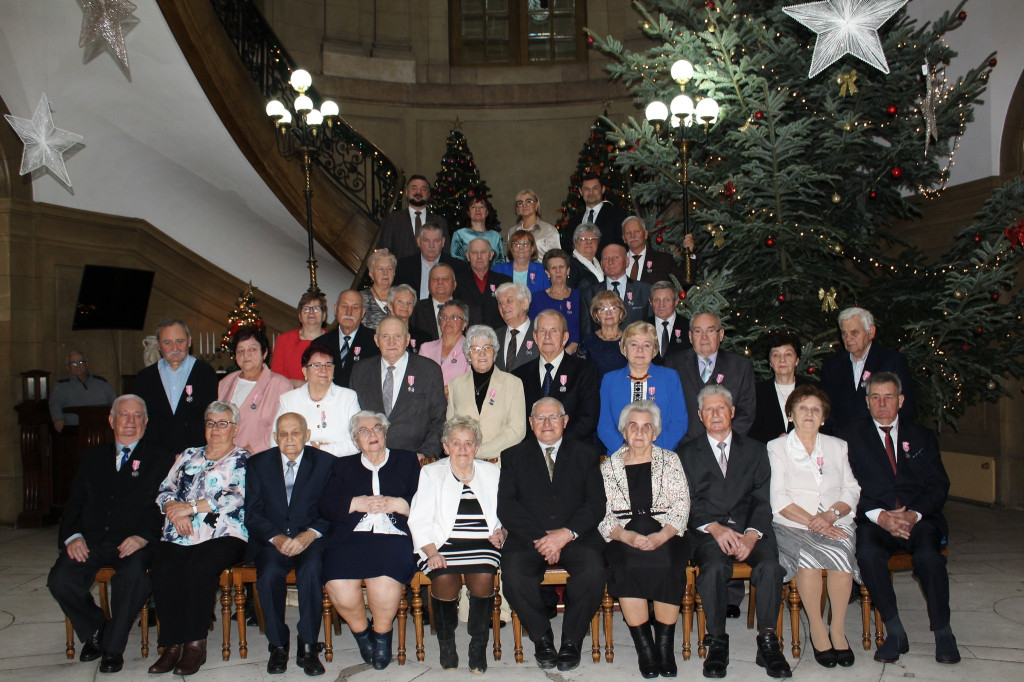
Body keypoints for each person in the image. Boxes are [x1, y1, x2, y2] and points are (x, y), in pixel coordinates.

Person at [840, 372, 958, 664]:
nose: (882, 403)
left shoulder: (922, 437)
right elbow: (845, 486)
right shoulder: (848, 439)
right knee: (867, 554)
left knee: (930, 558)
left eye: (888, 396)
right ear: (867, 402)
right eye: (875, 397)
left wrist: (914, 514)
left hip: (918, 520)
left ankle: (944, 632)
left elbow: (939, 485)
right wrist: (880, 516)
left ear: (901, 400)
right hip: (874, 520)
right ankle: (895, 631)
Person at [47, 395, 170, 674]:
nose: (130, 421)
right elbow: (73, 505)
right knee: (60, 579)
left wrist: (143, 536)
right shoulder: (92, 457)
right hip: (92, 539)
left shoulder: (160, 458)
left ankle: (112, 649)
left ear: (146, 422)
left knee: (134, 578)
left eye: (137, 416)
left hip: (136, 542)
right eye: (124, 415)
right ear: (111, 421)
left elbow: (165, 506)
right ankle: (96, 628)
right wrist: (72, 537)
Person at [676, 385, 791, 680]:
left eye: (721, 408)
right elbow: (684, 501)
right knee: (714, 568)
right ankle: (717, 642)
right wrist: (713, 528)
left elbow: (764, 498)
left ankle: (768, 642)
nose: (716, 415)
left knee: (770, 567)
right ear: (701, 416)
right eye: (709, 410)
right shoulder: (686, 453)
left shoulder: (755, 450)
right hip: (707, 531)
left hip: (751, 529)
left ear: (732, 412)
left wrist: (752, 534)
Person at [498, 397, 606, 672]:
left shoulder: (586, 454)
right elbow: (507, 507)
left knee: (594, 571)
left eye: (553, 417)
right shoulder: (513, 456)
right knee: (513, 575)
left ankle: (571, 639)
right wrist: (542, 539)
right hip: (528, 538)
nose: (547, 424)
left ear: (565, 422)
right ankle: (542, 638)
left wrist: (565, 535)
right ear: (531, 423)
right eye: (540, 418)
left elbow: (595, 504)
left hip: (575, 537)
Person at [149, 401, 250, 675]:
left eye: (222, 424)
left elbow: (236, 496)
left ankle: (194, 645)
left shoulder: (242, 458)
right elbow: (165, 488)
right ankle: (171, 645)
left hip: (223, 533)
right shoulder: (188, 454)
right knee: (163, 567)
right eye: (210, 423)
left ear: (235, 429)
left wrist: (191, 508)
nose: (215, 429)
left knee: (199, 567)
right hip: (180, 531)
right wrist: (173, 510)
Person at [767, 385, 860, 668]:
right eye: (802, 408)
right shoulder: (777, 447)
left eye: (815, 409)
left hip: (834, 520)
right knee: (809, 559)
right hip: (793, 524)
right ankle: (819, 629)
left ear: (823, 418)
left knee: (841, 554)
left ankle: (838, 630)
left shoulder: (837, 446)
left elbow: (852, 489)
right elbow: (779, 498)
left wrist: (830, 515)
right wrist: (813, 522)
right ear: (791, 415)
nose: (809, 413)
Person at [319, 411, 421, 670]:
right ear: (355, 440)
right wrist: (355, 503)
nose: (372, 434)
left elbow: (427, 501)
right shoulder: (342, 466)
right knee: (338, 583)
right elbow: (325, 505)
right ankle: (363, 635)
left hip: (393, 535)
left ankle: (383, 637)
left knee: (384, 579)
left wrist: (400, 504)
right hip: (350, 536)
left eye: (377, 428)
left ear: (385, 433)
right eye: (364, 431)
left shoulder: (407, 461)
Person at [599, 401, 690, 678]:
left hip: (665, 532)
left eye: (646, 427)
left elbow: (682, 504)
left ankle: (664, 648)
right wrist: (625, 536)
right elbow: (601, 514)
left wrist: (662, 536)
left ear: (655, 432)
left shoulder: (670, 460)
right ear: (624, 432)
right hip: (624, 534)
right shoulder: (610, 466)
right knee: (626, 565)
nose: (639, 432)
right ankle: (645, 650)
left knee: (667, 563)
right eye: (633, 426)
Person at [408, 416, 504, 673]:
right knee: (443, 578)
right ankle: (446, 643)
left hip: (482, 542)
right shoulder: (431, 473)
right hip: (441, 542)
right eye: (456, 443)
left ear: (477, 447)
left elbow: (506, 513)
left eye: (469, 443)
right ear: (446, 446)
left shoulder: (492, 472)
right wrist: (431, 552)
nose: (463, 449)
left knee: (485, 574)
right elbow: (418, 518)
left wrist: (501, 532)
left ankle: (478, 644)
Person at [245, 413, 334, 675]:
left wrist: (310, 534)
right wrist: (276, 537)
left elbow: (332, 510)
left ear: (307, 435)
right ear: (275, 438)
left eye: (296, 432)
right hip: (271, 540)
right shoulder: (258, 464)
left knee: (311, 570)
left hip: (310, 539)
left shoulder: (326, 463)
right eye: (283, 434)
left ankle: (308, 645)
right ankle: (278, 644)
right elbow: (252, 513)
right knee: (269, 573)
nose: (290, 439)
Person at [350, 317, 447, 460]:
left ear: (407, 339)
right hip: (369, 460)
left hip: (414, 460)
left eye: (397, 336)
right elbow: (353, 419)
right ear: (376, 340)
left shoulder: (429, 371)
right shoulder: (360, 371)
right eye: (385, 336)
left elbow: (440, 420)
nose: (391, 342)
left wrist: (426, 454)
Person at [598, 321, 687, 454]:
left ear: (654, 350)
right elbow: (604, 425)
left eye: (646, 345)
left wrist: (654, 451)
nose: (640, 350)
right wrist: (624, 450)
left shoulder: (670, 378)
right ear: (624, 348)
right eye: (634, 344)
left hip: (662, 454)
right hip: (621, 455)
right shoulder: (610, 380)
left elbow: (679, 422)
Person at [667, 312, 756, 445]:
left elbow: (746, 412)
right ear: (690, 337)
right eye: (698, 331)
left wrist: (723, 441)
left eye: (710, 331)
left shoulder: (740, 367)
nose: (704, 337)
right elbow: (668, 409)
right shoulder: (673, 364)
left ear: (721, 335)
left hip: (725, 448)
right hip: (684, 449)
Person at [821, 307, 915, 432]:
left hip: (879, 440)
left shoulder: (892, 361)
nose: (848, 339)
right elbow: (825, 407)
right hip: (840, 440)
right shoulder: (832, 365)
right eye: (844, 333)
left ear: (871, 332)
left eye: (854, 332)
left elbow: (905, 407)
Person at [133, 318, 218, 454]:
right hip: (156, 457)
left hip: (195, 455)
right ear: (158, 345)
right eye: (167, 342)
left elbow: (211, 417)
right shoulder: (145, 378)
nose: (174, 348)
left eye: (180, 341)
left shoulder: (205, 373)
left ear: (189, 341)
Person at [513, 309, 599, 443]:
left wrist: (557, 443)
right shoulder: (519, 376)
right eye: (542, 331)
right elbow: (517, 420)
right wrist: (538, 447)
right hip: (531, 453)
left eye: (554, 331)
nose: (547, 336)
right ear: (535, 337)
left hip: (572, 450)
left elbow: (588, 418)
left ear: (565, 338)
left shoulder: (585, 370)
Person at [446, 325, 526, 462]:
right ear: (468, 354)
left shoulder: (513, 384)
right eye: (475, 349)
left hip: (500, 463)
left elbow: (517, 430)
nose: (481, 353)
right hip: (463, 463)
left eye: (487, 348)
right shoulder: (455, 385)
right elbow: (450, 428)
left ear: (494, 353)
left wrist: (480, 451)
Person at [217, 326, 293, 454]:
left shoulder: (281, 385)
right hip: (224, 456)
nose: (246, 355)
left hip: (260, 457)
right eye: (240, 351)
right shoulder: (225, 383)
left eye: (252, 349)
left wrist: (247, 452)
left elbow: (282, 427)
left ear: (264, 353)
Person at [276, 344, 361, 456]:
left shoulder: (348, 397)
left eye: (328, 365)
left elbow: (359, 439)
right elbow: (278, 440)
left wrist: (326, 451)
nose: (323, 370)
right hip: (302, 465)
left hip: (340, 464)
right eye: (317, 365)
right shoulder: (288, 400)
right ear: (305, 371)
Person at [750, 333, 812, 444]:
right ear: (770, 363)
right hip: (769, 454)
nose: (782, 360)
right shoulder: (757, 392)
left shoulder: (812, 390)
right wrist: (777, 441)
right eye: (776, 355)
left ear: (797, 361)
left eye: (788, 354)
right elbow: (752, 431)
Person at [579, 244, 652, 336]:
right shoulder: (589, 294)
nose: (611, 262)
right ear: (601, 264)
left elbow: (651, 329)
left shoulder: (645, 290)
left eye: (616, 257)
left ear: (627, 261)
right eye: (606, 258)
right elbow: (587, 333)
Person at [313, 289, 380, 388]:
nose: (349, 312)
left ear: (363, 312)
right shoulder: (319, 344)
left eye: (355, 307)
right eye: (344, 306)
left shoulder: (376, 342)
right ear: (336, 310)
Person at [377, 174, 450, 260]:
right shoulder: (393, 219)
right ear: (407, 193)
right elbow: (385, 251)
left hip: (431, 272)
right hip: (401, 271)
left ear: (428, 194)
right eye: (414, 188)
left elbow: (445, 253)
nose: (418, 192)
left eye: (423, 189)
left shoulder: (440, 221)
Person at [49, 350, 118, 432]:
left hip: (103, 428)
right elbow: (54, 403)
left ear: (87, 364)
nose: (78, 366)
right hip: (75, 430)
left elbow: (116, 402)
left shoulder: (101, 382)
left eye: (81, 362)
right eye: (74, 364)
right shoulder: (61, 386)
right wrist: (58, 419)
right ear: (68, 368)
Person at [394, 221, 465, 300]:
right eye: (426, 241)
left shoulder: (458, 268)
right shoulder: (403, 266)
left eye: (436, 241)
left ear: (443, 242)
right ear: (418, 242)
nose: (431, 246)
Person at [529, 249, 582, 353]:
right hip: (544, 354)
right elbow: (532, 331)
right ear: (547, 273)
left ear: (568, 270)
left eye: (561, 267)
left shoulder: (580, 296)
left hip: (574, 355)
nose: (558, 271)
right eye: (553, 268)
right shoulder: (537, 299)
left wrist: (568, 351)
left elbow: (584, 329)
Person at [271, 292, 328, 386]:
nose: (311, 312)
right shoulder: (284, 340)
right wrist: (304, 386)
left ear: (324, 315)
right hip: (289, 396)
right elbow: (277, 378)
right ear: (300, 317)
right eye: (306, 309)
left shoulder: (334, 340)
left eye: (316, 309)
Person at [454, 238, 512, 328]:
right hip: (468, 336)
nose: (479, 256)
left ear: (491, 255)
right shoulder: (457, 282)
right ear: (468, 256)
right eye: (474, 252)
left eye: (483, 252)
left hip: (499, 336)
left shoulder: (504, 281)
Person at [563, 173, 628, 254]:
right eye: (586, 189)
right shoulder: (574, 221)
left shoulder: (617, 215)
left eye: (595, 188)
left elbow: (623, 246)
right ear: (580, 191)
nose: (591, 193)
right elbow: (568, 250)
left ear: (603, 189)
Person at [622, 215, 689, 284]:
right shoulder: (616, 263)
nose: (633, 236)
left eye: (637, 231)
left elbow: (683, 282)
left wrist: (690, 252)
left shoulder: (664, 260)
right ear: (624, 238)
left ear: (645, 234)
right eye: (628, 233)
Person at [419, 300, 471, 389]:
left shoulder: (471, 349)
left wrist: (450, 391)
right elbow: (420, 380)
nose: (448, 321)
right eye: (444, 317)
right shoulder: (426, 348)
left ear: (464, 324)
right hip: (430, 401)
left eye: (454, 317)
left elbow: (472, 382)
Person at [577, 290, 629, 376]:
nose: (608, 313)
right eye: (603, 309)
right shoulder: (587, 342)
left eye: (613, 308)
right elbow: (580, 374)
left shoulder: (630, 340)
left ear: (621, 313)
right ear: (596, 315)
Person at [494, 282, 539, 372]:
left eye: (509, 301)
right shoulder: (493, 337)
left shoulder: (541, 333)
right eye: (500, 303)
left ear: (525, 303)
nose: (503, 306)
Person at [409, 263, 458, 342]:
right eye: (435, 279)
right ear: (428, 284)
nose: (440, 282)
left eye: (445, 279)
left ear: (454, 284)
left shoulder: (468, 310)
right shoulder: (415, 309)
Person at [493, 229, 550, 294]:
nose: (521, 248)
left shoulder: (542, 270)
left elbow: (547, 297)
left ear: (532, 249)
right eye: (517, 244)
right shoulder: (498, 269)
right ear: (511, 249)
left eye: (525, 244)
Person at [451, 195, 505, 263]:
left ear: (487, 212)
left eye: (481, 207)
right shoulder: (459, 235)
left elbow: (501, 262)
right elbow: (456, 263)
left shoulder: (496, 236)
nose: (478, 210)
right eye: (473, 207)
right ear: (468, 212)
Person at [508, 189, 560, 259]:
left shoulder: (549, 230)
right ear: (517, 209)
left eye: (529, 201)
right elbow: (509, 258)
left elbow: (556, 259)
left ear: (536, 205)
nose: (524, 205)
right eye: (520, 203)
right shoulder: (513, 231)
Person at [648, 281, 689, 365]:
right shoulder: (642, 327)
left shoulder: (688, 326)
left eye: (667, 300)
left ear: (676, 301)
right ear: (650, 302)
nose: (661, 305)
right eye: (657, 300)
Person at [360, 248, 397, 330]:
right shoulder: (360, 299)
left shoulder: (400, 299)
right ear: (371, 274)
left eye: (389, 269)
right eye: (380, 269)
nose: (385, 273)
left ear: (394, 273)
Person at [386, 284, 427, 351]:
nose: (405, 305)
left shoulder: (424, 338)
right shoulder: (381, 335)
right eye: (400, 301)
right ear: (390, 305)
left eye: (410, 303)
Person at [567, 222, 604, 290]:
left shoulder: (603, 263)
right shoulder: (569, 265)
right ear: (575, 243)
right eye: (583, 239)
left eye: (593, 239)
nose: (589, 242)